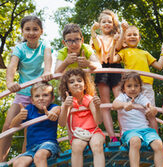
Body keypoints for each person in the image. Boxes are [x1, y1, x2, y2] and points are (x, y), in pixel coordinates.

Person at [0, 15, 53, 162]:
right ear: (23, 32)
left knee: (29, 129)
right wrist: (10, 82)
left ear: (41, 31)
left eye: (35, 29)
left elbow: (48, 59)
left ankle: (26, 160)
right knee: (8, 125)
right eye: (27, 29)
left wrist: (47, 71)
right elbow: (12, 66)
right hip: (23, 94)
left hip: (38, 94)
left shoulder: (45, 46)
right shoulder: (20, 48)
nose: (31, 32)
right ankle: (1, 161)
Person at [112, 72, 163, 167]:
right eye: (129, 86)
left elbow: (149, 106)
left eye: (136, 86)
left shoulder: (141, 98)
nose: (133, 89)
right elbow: (114, 105)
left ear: (140, 88)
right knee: (135, 141)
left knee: (158, 144)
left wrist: (152, 109)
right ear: (123, 88)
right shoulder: (122, 97)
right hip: (130, 132)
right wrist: (124, 105)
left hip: (146, 130)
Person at [110, 25, 163, 107]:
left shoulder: (145, 53)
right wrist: (114, 42)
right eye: (129, 35)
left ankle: (151, 120)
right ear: (124, 39)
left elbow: (159, 66)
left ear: (139, 38)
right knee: (134, 109)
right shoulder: (124, 52)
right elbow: (112, 60)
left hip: (146, 84)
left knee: (150, 109)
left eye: (135, 35)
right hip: (132, 85)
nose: (132, 37)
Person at [58, 68, 105, 167]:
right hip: (79, 134)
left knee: (97, 144)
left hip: (94, 131)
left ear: (85, 85)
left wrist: (97, 107)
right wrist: (66, 106)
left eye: (79, 80)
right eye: (71, 82)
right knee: (76, 146)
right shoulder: (68, 102)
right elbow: (62, 123)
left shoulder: (89, 99)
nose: (76, 83)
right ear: (67, 88)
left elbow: (99, 121)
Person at [10, 82, 61, 167]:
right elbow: (12, 125)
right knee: (17, 163)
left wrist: (53, 113)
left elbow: (58, 109)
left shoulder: (53, 107)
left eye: (45, 95)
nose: (41, 98)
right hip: (31, 149)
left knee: (39, 156)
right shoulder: (29, 109)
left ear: (52, 98)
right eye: (37, 96)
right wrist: (19, 116)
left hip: (48, 145)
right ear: (32, 100)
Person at [90, 9, 122, 142]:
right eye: (104, 21)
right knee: (105, 104)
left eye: (109, 21)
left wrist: (120, 32)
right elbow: (96, 46)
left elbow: (120, 47)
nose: (107, 24)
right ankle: (113, 136)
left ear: (113, 24)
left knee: (120, 101)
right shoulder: (96, 37)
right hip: (101, 68)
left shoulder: (118, 36)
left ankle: (124, 133)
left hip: (115, 67)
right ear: (99, 24)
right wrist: (93, 31)